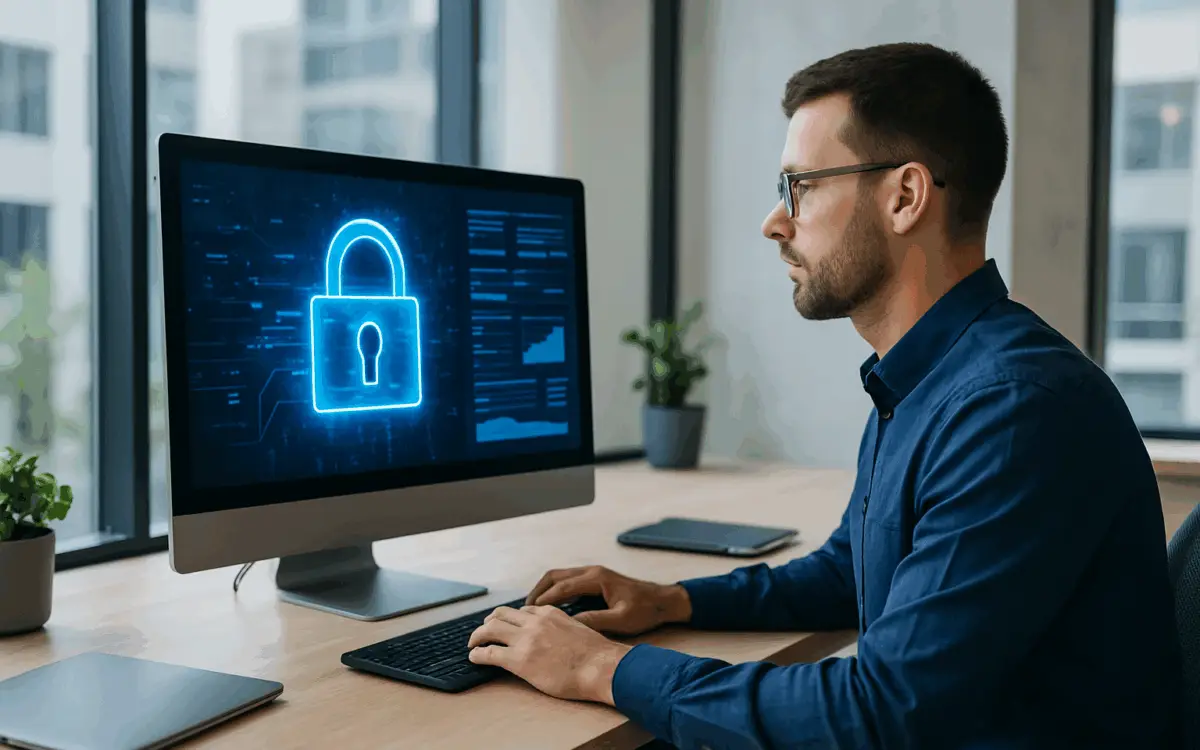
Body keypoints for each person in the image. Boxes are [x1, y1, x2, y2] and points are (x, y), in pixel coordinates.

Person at [466, 42, 1184, 748]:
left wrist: (602, 667)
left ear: (904, 196)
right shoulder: (928, 379)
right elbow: (850, 572)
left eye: (799, 186)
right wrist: (670, 601)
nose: (774, 221)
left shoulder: (1013, 409)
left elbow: (881, 715)